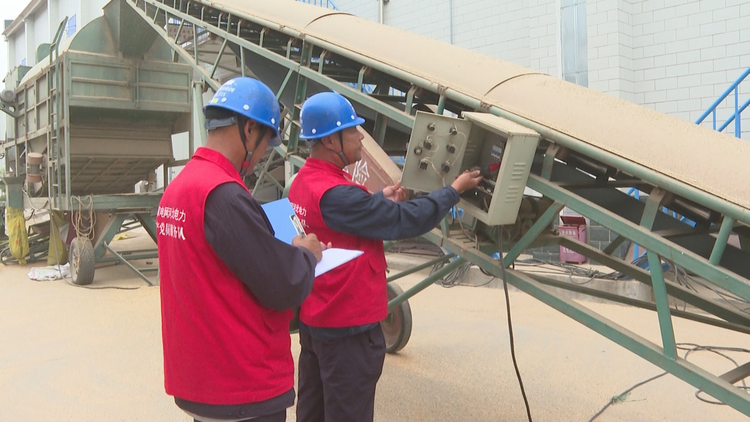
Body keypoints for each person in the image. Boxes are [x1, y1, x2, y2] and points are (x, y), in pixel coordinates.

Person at [288, 91, 483, 422]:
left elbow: (341, 218)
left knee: (313, 412)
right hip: (347, 329)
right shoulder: (340, 195)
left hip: (317, 322)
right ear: (330, 141)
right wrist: (454, 190)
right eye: (352, 130)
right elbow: (406, 220)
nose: (361, 137)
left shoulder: (304, 182)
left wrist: (379, 198)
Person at [157, 77, 325, 422]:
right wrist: (306, 253)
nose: (263, 155)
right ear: (249, 129)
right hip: (240, 384)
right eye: (265, 142)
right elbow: (284, 284)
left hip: (201, 377)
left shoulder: (179, 187)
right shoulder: (223, 194)